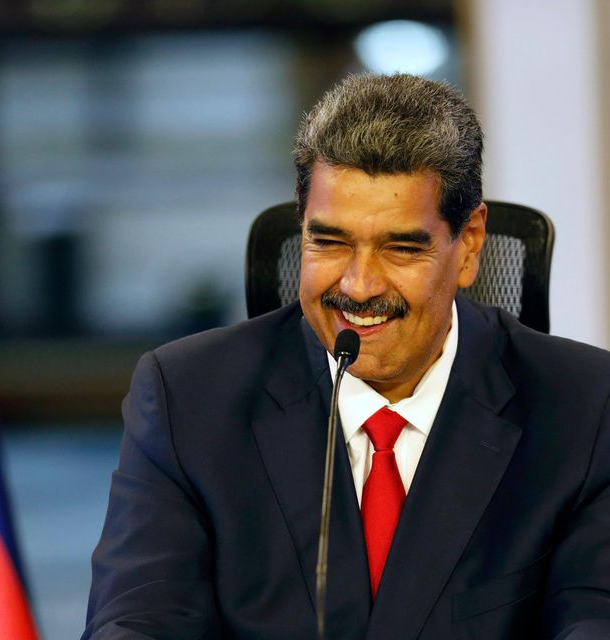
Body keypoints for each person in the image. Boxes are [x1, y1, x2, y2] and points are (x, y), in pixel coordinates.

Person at [82, 74, 610, 639]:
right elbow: (136, 620)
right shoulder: (186, 397)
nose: (358, 287)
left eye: (401, 247)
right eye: (329, 242)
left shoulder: (585, 407)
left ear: (470, 244)